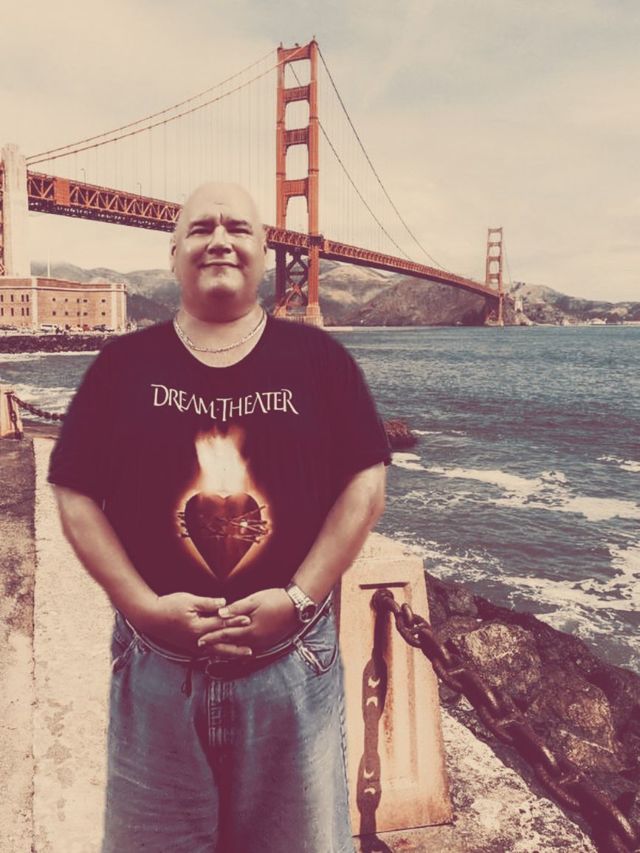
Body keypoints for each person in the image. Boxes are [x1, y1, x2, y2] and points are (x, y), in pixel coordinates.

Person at [48, 182, 391, 853]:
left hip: (291, 667)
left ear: (264, 253)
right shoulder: (121, 365)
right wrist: (142, 607)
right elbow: (74, 492)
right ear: (174, 253)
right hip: (156, 671)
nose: (220, 241)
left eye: (238, 228)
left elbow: (366, 482)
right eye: (201, 228)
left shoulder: (321, 361)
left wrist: (299, 598)